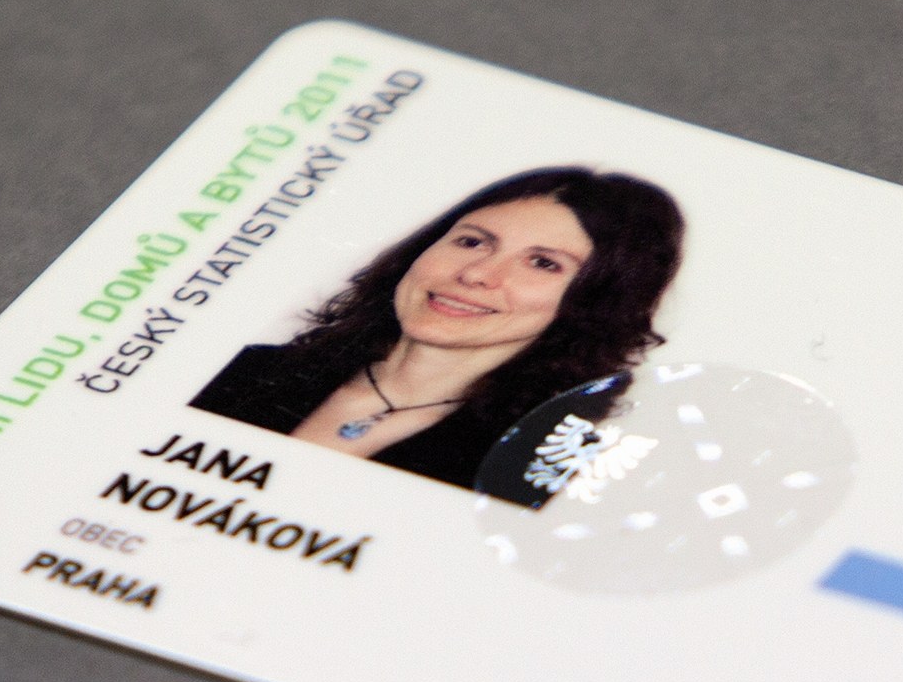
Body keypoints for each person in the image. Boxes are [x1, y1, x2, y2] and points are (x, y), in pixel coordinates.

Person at [189, 167, 684, 499]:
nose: (477, 274)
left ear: (598, 301)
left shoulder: (540, 465)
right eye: (471, 241)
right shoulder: (252, 370)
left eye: (542, 263)